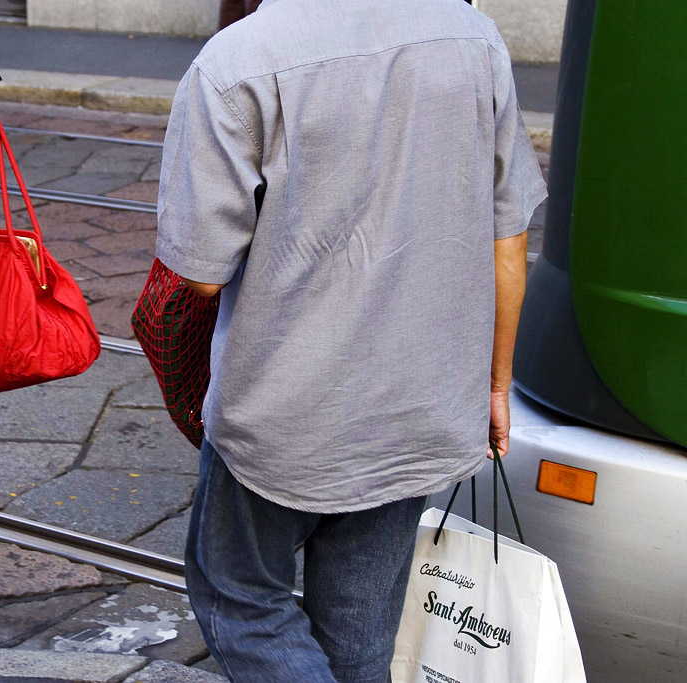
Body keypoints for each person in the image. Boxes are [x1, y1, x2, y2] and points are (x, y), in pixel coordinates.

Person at [156, 0, 546, 681]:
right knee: (360, 638)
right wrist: (493, 384)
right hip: (419, 404)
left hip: (281, 419)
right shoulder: (473, 39)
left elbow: (198, 276)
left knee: (240, 599)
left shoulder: (236, 62)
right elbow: (507, 241)